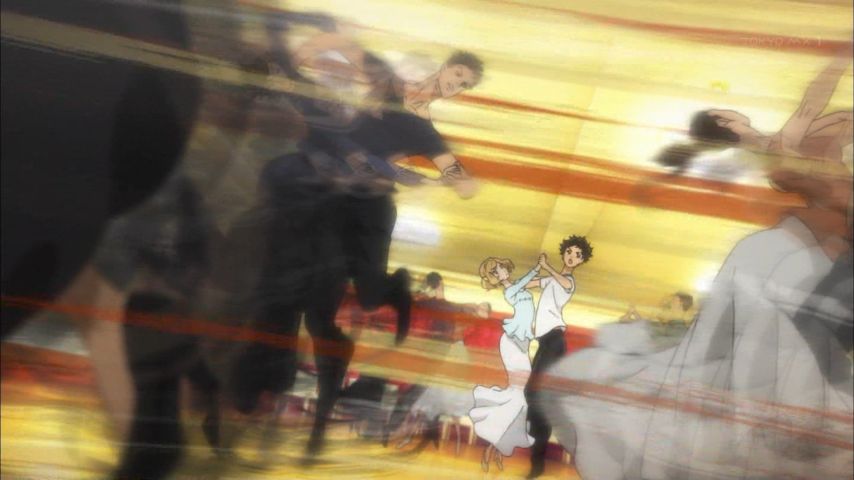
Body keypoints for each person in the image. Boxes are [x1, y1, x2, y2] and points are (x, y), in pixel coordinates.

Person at [541, 47, 853, 480]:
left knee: (743, 351)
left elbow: (822, 113)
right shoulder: (789, 147)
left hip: (798, 251)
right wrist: (840, 55)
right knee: (754, 351)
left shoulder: (784, 147)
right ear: (727, 122)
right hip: (797, 253)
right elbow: (813, 102)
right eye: (726, 114)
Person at [524, 235, 594, 478]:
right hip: (545, 342)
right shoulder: (552, 280)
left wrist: (547, 267)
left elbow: (562, 281)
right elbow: (530, 284)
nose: (572, 257)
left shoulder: (568, 282)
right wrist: (512, 280)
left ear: (581, 261)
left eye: (577, 255)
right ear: (564, 252)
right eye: (570, 252)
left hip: (555, 341)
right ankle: (543, 428)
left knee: (537, 394)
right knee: (532, 394)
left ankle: (548, 426)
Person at [469, 257, 539, 472]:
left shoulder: (517, 287)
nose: (502, 272)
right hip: (513, 340)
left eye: (502, 268)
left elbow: (530, 282)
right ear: (496, 276)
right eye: (498, 271)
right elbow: (525, 281)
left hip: (521, 342)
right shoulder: (510, 290)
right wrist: (538, 267)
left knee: (517, 403)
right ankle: (493, 451)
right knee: (517, 398)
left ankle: (494, 450)